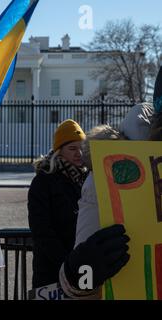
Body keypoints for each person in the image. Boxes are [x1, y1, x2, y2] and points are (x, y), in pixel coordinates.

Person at [59, 103, 153, 299]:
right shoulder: (105, 177)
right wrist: (82, 274)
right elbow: (80, 288)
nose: (76, 154)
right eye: (71, 148)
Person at [28, 119, 88, 288]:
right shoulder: (43, 181)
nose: (79, 154)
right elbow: (41, 229)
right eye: (72, 148)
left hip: (82, 268)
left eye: (82, 148)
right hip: (51, 270)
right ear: (59, 151)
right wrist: (66, 263)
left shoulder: (88, 179)